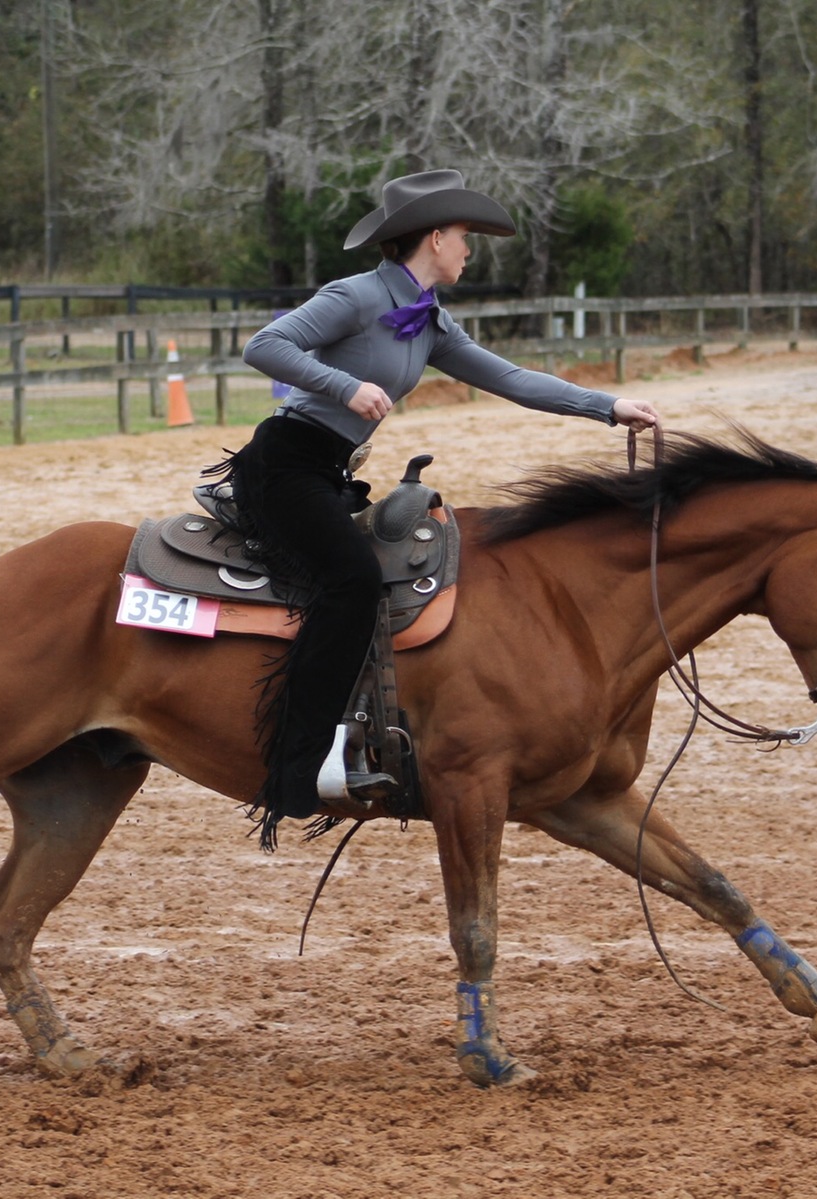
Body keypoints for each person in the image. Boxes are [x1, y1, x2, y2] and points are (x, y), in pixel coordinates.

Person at [216, 168, 660, 849]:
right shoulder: (356, 295)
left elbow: (510, 378)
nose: (469, 251)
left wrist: (608, 407)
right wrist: (346, 383)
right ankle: (298, 768)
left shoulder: (428, 321)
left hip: (330, 471)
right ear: (433, 237)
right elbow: (263, 346)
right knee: (352, 581)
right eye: (463, 238)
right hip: (285, 466)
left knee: (384, 577)